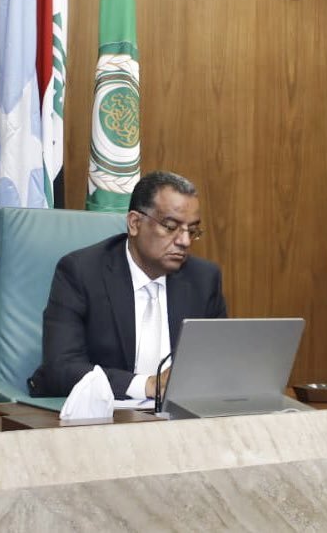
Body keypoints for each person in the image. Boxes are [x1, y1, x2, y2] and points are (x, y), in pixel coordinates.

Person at [29, 170, 227, 400]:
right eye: (171, 227)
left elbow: (219, 360)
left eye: (191, 231)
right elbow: (61, 367)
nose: (184, 241)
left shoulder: (203, 278)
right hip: (104, 412)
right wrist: (147, 386)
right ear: (134, 223)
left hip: (180, 414)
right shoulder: (81, 272)